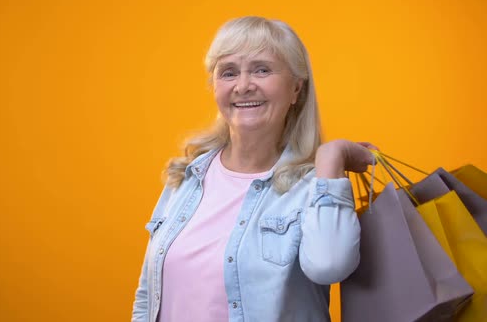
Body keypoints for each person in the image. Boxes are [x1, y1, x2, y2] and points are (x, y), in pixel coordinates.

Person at [132, 16, 375, 322]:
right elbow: (147, 296)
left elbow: (329, 266)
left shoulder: (316, 187)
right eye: (229, 73)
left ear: (296, 89)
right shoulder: (187, 177)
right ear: (215, 86)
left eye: (262, 70)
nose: (243, 86)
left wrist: (331, 156)